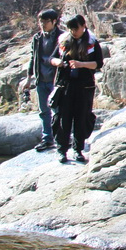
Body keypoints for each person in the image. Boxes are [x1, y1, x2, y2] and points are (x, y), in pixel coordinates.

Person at [50, 15, 102, 164]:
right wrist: (59, 62)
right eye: (71, 29)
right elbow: (51, 59)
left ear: (83, 26)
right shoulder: (64, 41)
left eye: (76, 28)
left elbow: (98, 63)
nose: (73, 31)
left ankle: (78, 150)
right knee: (62, 119)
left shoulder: (92, 42)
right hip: (65, 86)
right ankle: (62, 150)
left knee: (81, 118)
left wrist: (81, 64)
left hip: (84, 87)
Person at [23, 8, 61, 152]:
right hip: (41, 80)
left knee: (58, 110)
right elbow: (33, 58)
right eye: (41, 21)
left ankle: (61, 138)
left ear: (54, 22)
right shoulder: (37, 38)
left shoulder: (61, 37)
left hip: (55, 80)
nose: (43, 24)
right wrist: (29, 79)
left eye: (46, 22)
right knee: (44, 111)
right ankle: (47, 139)